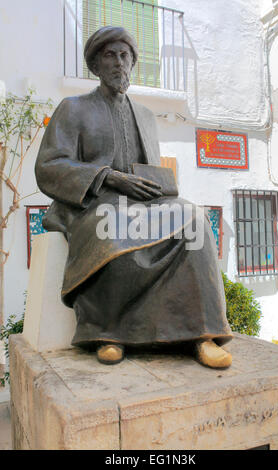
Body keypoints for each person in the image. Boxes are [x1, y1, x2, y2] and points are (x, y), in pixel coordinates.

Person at [35, 26, 233, 368]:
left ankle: (203, 333)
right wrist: (107, 176)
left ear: (132, 63)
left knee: (194, 221)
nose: (119, 63)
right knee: (110, 226)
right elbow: (50, 165)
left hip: (143, 203)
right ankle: (108, 333)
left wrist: (156, 185)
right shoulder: (73, 108)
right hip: (95, 201)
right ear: (96, 66)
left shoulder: (144, 115)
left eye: (125, 56)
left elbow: (148, 167)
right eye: (110, 56)